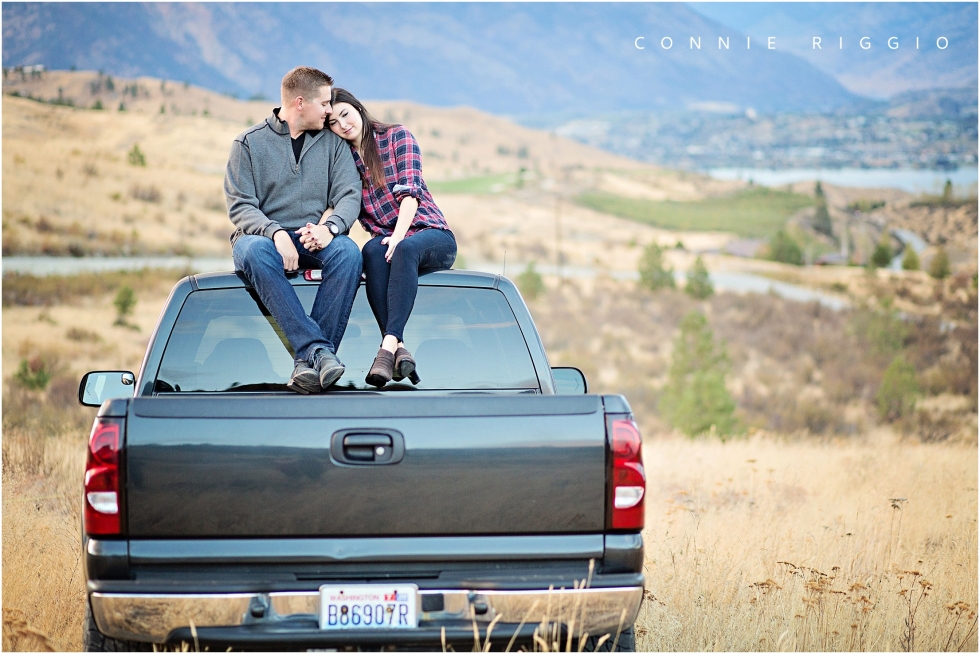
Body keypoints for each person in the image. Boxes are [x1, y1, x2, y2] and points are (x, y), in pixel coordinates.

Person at [225, 67, 362, 394]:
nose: (330, 111)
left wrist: (331, 228)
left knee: (348, 252)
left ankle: (306, 361)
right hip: (261, 240)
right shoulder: (248, 144)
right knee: (253, 252)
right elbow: (240, 205)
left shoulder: (333, 145)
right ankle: (318, 350)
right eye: (325, 104)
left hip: (312, 238)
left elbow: (349, 193)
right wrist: (274, 233)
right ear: (300, 102)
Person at [327, 88, 456, 388]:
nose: (343, 125)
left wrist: (398, 238)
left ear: (358, 109)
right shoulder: (344, 160)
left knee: (403, 249)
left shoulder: (397, 137)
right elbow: (339, 205)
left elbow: (411, 195)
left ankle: (386, 348)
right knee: (370, 250)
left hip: (430, 234)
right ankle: (398, 349)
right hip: (386, 243)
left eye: (345, 114)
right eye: (333, 122)